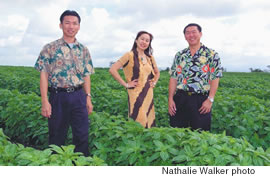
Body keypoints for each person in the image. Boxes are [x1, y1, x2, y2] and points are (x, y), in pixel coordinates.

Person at [34, 10, 94, 156]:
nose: (71, 26)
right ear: (61, 25)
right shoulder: (49, 48)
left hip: (79, 95)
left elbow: (86, 75)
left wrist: (88, 97)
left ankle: (81, 166)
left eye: (75, 23)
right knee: (56, 137)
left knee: (82, 136)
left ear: (79, 26)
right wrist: (45, 101)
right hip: (58, 97)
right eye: (67, 23)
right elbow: (44, 75)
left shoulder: (83, 50)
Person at [168, 23, 222, 131]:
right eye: (187, 33)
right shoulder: (180, 55)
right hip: (180, 98)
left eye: (194, 32)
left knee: (200, 134)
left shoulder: (211, 54)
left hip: (201, 100)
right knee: (177, 132)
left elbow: (215, 78)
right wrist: (170, 99)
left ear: (200, 34)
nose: (191, 35)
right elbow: (174, 78)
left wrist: (210, 100)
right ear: (185, 36)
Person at [109, 31, 160, 128]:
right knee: (138, 120)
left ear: (149, 43)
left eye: (147, 40)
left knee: (149, 120)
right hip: (135, 94)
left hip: (148, 93)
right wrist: (126, 84)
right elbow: (113, 69)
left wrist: (154, 82)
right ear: (136, 40)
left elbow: (157, 72)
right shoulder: (129, 55)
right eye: (142, 39)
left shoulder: (150, 58)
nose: (144, 42)